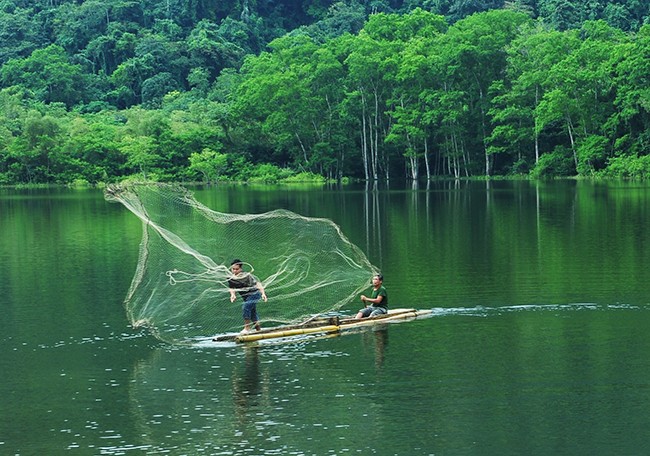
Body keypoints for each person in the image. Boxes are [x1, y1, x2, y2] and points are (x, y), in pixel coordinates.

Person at [228, 259, 267, 334]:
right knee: (252, 313)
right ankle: (258, 330)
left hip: (254, 294)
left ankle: (247, 328)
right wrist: (233, 295)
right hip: (246, 297)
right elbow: (231, 287)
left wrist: (263, 293)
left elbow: (257, 283)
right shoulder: (231, 278)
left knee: (246, 307)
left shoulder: (246, 276)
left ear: (241, 268)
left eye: (237, 269)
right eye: (233, 269)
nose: (235, 271)